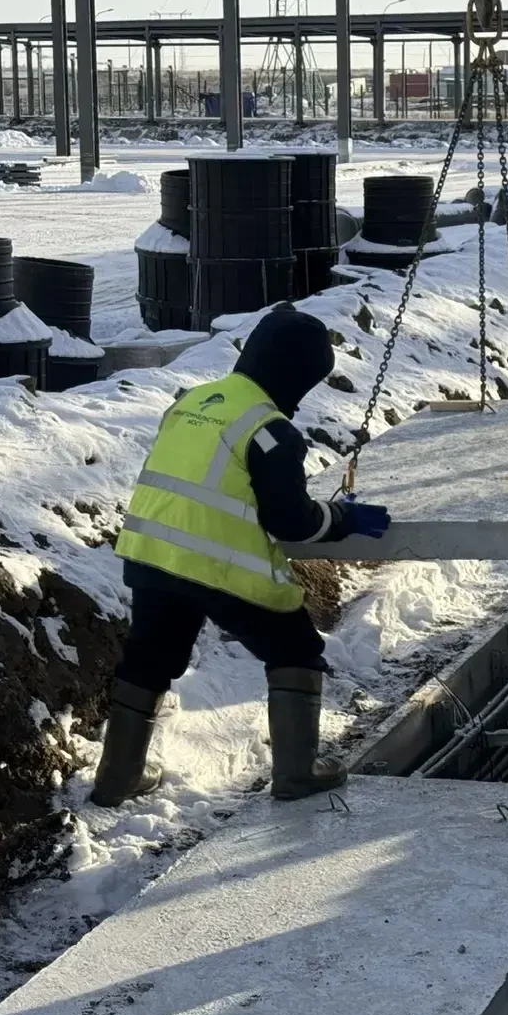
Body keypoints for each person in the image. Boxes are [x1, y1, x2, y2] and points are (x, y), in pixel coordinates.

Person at [94, 306, 392, 808]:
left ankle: (117, 776)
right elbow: (291, 522)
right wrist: (342, 520)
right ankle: (298, 773)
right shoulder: (271, 430)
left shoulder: (196, 400)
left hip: (152, 554)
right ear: (295, 375)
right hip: (216, 562)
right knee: (294, 648)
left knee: (149, 658)